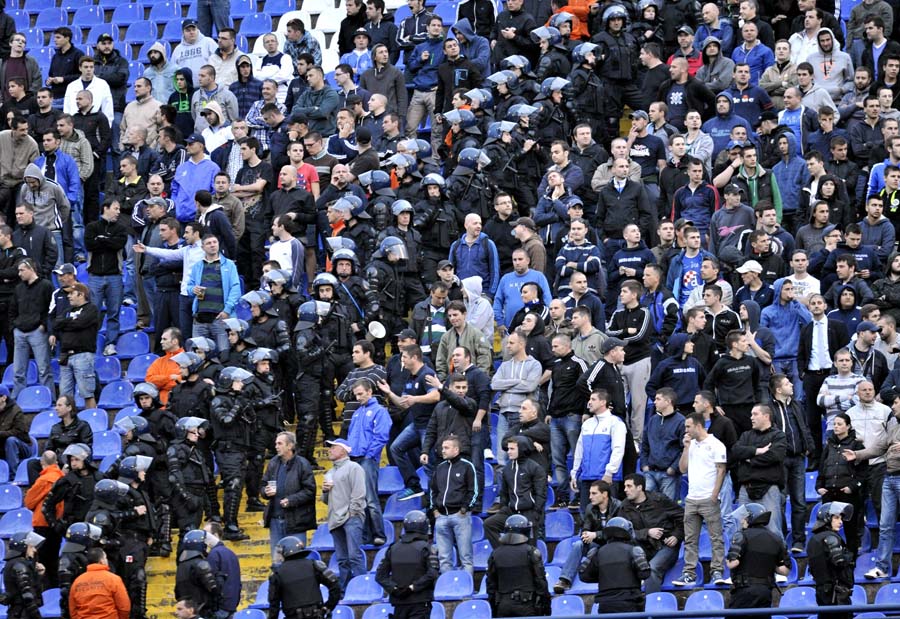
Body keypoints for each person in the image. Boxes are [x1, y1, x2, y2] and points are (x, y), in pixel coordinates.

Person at [619, 473, 684, 593]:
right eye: (624, 487)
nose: (625, 490)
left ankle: (651, 607)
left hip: (666, 547)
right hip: (641, 549)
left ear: (639, 487)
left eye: (629, 486)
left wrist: (676, 535)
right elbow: (622, 533)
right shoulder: (624, 507)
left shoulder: (659, 500)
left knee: (652, 568)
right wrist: (647, 532)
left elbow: (683, 517)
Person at [345, 381, 390, 546]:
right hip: (354, 459)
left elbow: (382, 435)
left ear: (369, 392)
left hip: (367, 459)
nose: (358, 397)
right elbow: (351, 436)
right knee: (359, 499)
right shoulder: (357, 413)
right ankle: (365, 536)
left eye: (360, 394)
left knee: (370, 498)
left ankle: (379, 534)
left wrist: (370, 454)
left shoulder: (379, 411)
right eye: (356, 395)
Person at [726, 503, 791, 613]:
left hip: (744, 591)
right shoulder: (776, 538)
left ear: (751, 518)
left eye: (744, 518)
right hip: (765, 591)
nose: (742, 521)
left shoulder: (742, 535)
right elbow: (785, 571)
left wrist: (727, 559)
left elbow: (733, 563)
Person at [374, 510, 439, 619]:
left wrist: (394, 589)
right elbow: (432, 574)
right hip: (420, 602)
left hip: (399, 603)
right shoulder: (426, 548)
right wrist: (412, 587)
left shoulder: (393, 548)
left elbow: (380, 576)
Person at [484, 436, 546, 548]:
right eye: (508, 449)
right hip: (511, 511)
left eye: (512, 449)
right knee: (489, 524)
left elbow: (541, 493)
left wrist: (536, 513)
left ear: (522, 449)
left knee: (529, 549)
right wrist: (503, 508)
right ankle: (503, 553)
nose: (508, 452)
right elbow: (504, 493)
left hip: (529, 512)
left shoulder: (535, 468)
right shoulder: (507, 468)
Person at [579, 517, 651, 613]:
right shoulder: (634, 550)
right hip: (631, 603)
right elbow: (645, 573)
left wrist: (603, 576)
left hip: (606, 605)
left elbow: (584, 576)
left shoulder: (597, 552)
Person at [322, 438, 367, 591]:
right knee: (342, 559)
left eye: (333, 447)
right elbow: (326, 500)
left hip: (350, 518)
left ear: (343, 450)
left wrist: (353, 513)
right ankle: (346, 591)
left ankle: (362, 588)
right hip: (335, 520)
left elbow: (359, 493)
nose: (330, 450)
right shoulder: (329, 473)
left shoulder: (354, 468)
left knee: (354, 556)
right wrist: (325, 491)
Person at [485, 514, 550, 617]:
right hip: (527, 605)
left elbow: (490, 585)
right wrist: (546, 607)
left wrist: (494, 608)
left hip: (503, 605)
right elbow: (541, 582)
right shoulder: (531, 552)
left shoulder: (495, 554)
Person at [430, 435, 477, 575]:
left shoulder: (467, 466)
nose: (442, 450)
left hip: (460, 516)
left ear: (456, 449)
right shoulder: (439, 468)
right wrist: (434, 510)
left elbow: (473, 491)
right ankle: (447, 589)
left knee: (466, 558)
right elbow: (433, 490)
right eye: (442, 448)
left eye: (446, 448)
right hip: (441, 517)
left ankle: (466, 590)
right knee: (444, 558)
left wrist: (464, 509)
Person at [268, 535, 341, 619]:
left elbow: (274, 604)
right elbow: (335, 586)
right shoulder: (315, 565)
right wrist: (327, 607)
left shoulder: (277, 574)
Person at [10, 257, 54, 396]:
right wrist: (14, 327)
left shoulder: (46, 285)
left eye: (22, 270)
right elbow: (12, 309)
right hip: (20, 332)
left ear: (31, 269)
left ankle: (49, 397)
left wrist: (44, 324)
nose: (19, 274)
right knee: (18, 371)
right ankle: (17, 399)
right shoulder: (18, 288)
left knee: (43, 369)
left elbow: (51, 309)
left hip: (38, 331)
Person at [55, 282, 99, 408]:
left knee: (87, 393)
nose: (68, 296)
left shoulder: (91, 309)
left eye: (72, 293)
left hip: (83, 355)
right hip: (65, 356)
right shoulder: (67, 310)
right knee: (64, 397)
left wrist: (66, 323)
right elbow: (56, 323)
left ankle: (92, 422)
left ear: (81, 294)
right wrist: (71, 322)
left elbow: (80, 323)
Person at [69, 548, 131, 619]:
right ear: (102, 561)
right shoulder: (114, 579)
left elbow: (72, 610)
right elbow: (124, 607)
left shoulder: (77, 581)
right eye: (105, 558)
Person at [1, 531, 46, 619]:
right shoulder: (20, 565)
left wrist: (39, 575)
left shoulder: (14, 563)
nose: (34, 550)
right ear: (23, 547)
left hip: (18, 612)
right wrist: (36, 616)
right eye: (31, 547)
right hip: (22, 613)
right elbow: (27, 596)